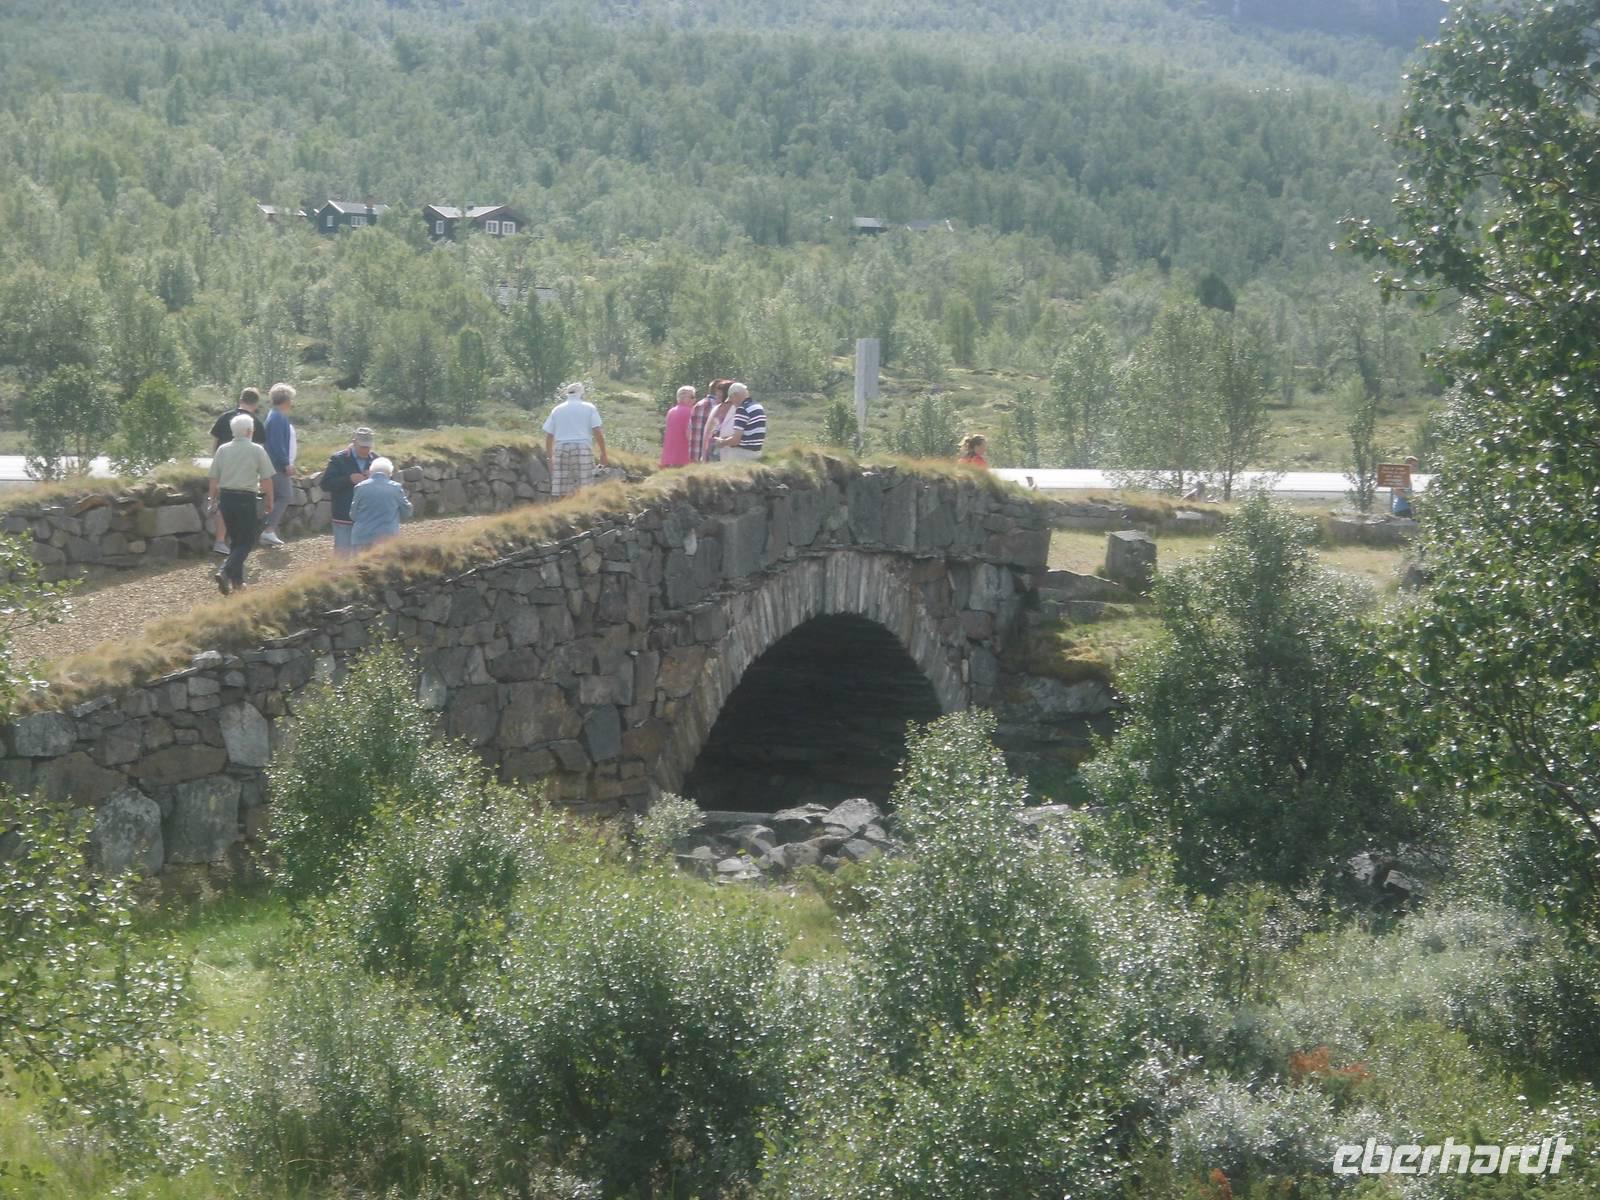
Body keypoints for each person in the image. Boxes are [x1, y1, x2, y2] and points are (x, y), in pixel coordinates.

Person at [206, 413, 275, 595]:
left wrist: (211, 499)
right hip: (246, 498)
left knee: (236, 540)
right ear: (249, 431)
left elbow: (214, 477)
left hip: (226, 499)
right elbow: (266, 479)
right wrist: (269, 500)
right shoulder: (257, 450)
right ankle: (225, 571)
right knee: (247, 540)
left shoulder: (222, 450)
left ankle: (238, 583)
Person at [207, 387, 267, 555]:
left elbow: (215, 442)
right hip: (244, 473)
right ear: (255, 404)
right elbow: (260, 452)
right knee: (242, 510)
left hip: (222, 465)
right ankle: (238, 544)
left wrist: (215, 463)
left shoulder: (225, 417)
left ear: (240, 399)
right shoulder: (256, 424)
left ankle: (220, 541)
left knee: (221, 504)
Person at [542, 382, 608, 498]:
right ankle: (583, 511)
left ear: (567, 393)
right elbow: (597, 430)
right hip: (582, 447)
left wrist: (549, 458)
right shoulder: (589, 407)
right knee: (585, 486)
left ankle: (564, 511)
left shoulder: (557, 410)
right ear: (581, 393)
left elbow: (549, 435)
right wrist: (603, 453)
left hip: (561, 448)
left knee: (562, 489)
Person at [321, 427, 378, 557]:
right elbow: (325, 484)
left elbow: (387, 483)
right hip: (344, 517)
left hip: (368, 518)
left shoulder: (376, 460)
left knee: (366, 558)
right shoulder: (338, 459)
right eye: (363, 446)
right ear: (354, 442)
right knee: (343, 557)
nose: (366, 450)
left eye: (368, 446)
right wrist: (348, 479)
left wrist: (375, 477)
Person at [348, 457, 414, 551]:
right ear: (390, 473)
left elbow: (353, 515)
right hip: (387, 537)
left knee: (360, 565)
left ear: (371, 472)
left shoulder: (360, 487)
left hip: (362, 537)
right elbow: (407, 511)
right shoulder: (395, 488)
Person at [260, 383, 297, 547]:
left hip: (270, 464)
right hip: (275, 465)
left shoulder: (273, 415)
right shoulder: (278, 417)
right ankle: (268, 530)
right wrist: (286, 463)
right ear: (287, 400)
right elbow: (277, 444)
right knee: (285, 495)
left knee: (274, 497)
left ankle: (267, 529)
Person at [715, 382, 765, 462]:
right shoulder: (758, 407)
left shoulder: (742, 409)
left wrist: (722, 442)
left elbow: (735, 441)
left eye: (731, 398)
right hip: (756, 453)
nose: (732, 402)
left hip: (741, 454)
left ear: (736, 395)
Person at [689, 380, 729, 464]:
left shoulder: (699, 404)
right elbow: (701, 433)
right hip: (709, 454)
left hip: (698, 453)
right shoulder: (714, 406)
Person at [660, 385, 695, 467]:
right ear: (685, 398)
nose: (694, 399)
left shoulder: (671, 411)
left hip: (668, 456)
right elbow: (689, 435)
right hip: (683, 456)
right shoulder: (691, 412)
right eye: (692, 396)